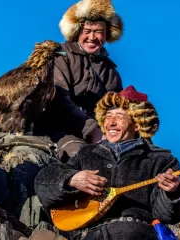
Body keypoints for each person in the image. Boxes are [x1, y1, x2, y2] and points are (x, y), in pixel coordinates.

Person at [34, 86, 180, 239]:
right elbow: (43, 183)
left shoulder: (160, 160)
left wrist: (172, 193)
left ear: (137, 124)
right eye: (108, 116)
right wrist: (71, 179)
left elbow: (170, 215)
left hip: (135, 234)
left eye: (119, 117)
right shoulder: (87, 154)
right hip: (88, 236)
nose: (111, 123)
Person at [34, 0, 124, 162]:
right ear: (76, 31)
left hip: (101, 135)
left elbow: (118, 111)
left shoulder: (111, 73)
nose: (92, 37)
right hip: (57, 130)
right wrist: (92, 129)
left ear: (107, 33)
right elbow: (58, 100)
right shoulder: (61, 57)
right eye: (87, 31)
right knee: (83, 158)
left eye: (98, 31)